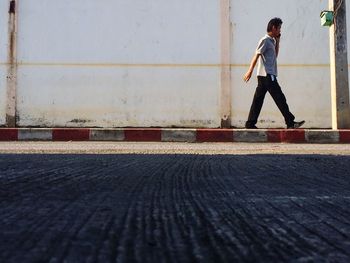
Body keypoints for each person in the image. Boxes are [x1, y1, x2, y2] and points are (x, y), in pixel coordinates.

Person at [243, 17, 305, 129]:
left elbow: (275, 56)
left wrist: (278, 41)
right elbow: (256, 55)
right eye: (279, 28)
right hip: (267, 75)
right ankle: (290, 122)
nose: (280, 30)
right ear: (273, 27)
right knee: (280, 98)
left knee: (258, 100)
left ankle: (250, 123)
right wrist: (250, 71)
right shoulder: (265, 40)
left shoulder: (271, 41)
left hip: (266, 76)